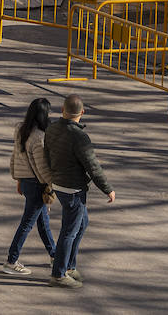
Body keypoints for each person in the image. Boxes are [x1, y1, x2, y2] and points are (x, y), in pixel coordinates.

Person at [44, 94, 115, 289]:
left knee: (82, 223)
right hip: (73, 188)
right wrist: (107, 189)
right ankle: (59, 273)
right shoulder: (80, 137)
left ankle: (69, 265)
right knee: (69, 230)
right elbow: (93, 166)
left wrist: (51, 180)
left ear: (62, 110)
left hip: (59, 184)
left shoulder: (51, 129)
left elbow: (46, 156)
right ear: (82, 112)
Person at [3, 98, 56, 276]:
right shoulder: (39, 138)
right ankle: (11, 260)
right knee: (27, 224)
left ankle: (55, 255)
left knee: (43, 222)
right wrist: (51, 185)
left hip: (25, 182)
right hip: (36, 184)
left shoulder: (20, 129)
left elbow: (15, 157)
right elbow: (42, 167)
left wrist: (17, 178)